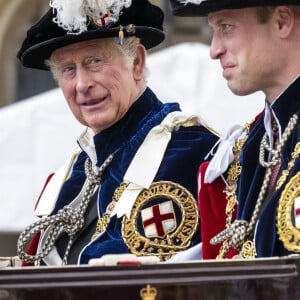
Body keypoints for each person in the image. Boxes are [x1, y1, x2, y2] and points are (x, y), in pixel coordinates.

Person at [16, 0, 218, 266]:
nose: (82, 84)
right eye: (68, 69)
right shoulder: (73, 172)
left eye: (95, 61)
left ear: (136, 63)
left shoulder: (190, 149)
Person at [170, 0, 300, 259]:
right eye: (214, 30)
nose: (214, 49)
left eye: (226, 27)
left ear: (282, 21)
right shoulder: (254, 144)